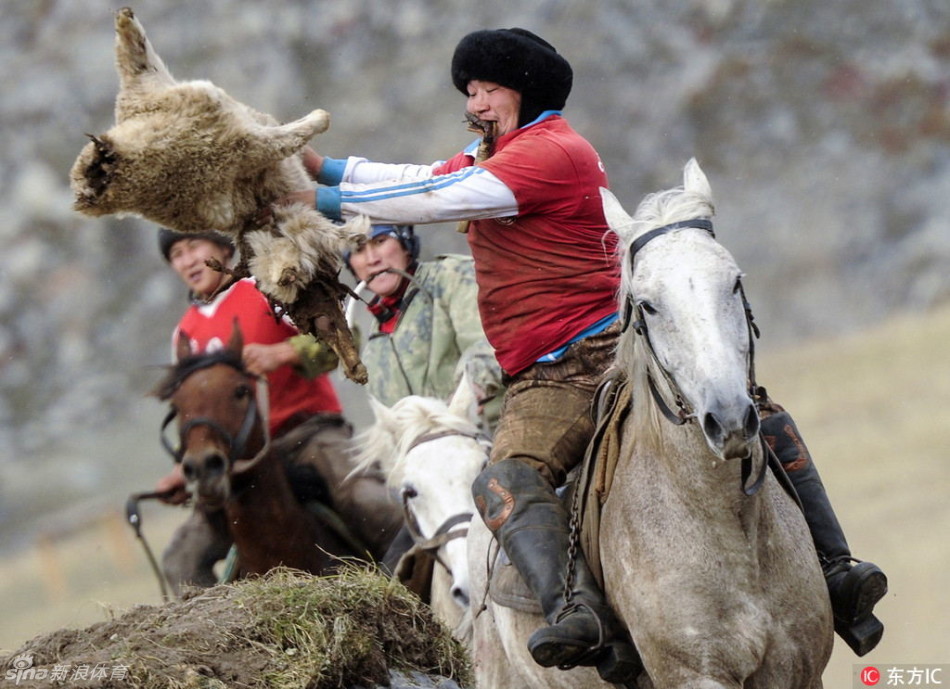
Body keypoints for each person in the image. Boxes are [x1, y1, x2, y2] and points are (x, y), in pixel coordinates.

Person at [277, 28, 887, 679]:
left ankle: (834, 572)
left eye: (486, 89)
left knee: (739, 416)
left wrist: (316, 201)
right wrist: (327, 169)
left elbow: (437, 200)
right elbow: (428, 178)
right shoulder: (500, 152)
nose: (475, 103)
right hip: (544, 370)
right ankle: (585, 608)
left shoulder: (550, 153)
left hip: (593, 354)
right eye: (470, 92)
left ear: (524, 91)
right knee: (508, 478)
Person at [154, 228, 400, 593]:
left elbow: (344, 339)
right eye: (176, 254)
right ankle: (222, 642)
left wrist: (284, 353)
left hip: (309, 434)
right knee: (181, 561)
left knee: (376, 507)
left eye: (194, 247)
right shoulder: (184, 336)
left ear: (223, 248)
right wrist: (183, 467)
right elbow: (194, 417)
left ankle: (414, 604)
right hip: (240, 460)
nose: (187, 260)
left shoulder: (268, 290)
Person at [343, 222, 504, 574]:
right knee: (390, 581)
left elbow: (489, 344)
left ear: (404, 244)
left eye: (380, 241)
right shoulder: (367, 332)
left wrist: (470, 391)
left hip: (492, 441)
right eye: (358, 249)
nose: (371, 258)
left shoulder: (452, 276)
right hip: (433, 478)